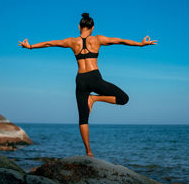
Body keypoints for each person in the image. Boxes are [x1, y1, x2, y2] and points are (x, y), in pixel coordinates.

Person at [18, 13, 157, 157]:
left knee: (83, 118)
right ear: (93, 27)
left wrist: (30, 46)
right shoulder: (97, 39)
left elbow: (51, 43)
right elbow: (119, 41)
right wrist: (140, 44)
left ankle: (88, 151)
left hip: (80, 80)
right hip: (94, 78)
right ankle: (94, 99)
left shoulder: (71, 41)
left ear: (79, 26)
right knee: (124, 99)